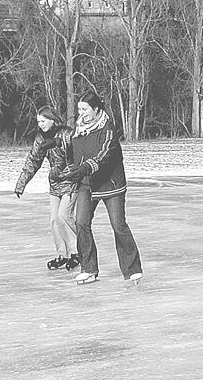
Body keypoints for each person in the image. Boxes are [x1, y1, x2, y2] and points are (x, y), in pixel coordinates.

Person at [51, 91, 142, 285]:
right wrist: (60, 167)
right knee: (81, 222)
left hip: (111, 185)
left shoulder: (107, 129)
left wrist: (84, 168)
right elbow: (72, 156)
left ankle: (132, 269)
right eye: (79, 109)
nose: (81, 113)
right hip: (87, 184)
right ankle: (88, 268)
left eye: (85, 109)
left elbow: (105, 154)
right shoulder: (77, 131)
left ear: (96, 110)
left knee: (118, 225)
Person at [14, 106, 80, 271]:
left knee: (64, 216)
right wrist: (21, 183)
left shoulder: (66, 133)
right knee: (54, 220)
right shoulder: (40, 138)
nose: (40, 125)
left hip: (70, 180)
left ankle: (77, 252)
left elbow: (76, 153)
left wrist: (59, 144)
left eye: (43, 121)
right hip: (55, 183)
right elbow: (33, 161)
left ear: (52, 120)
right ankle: (63, 254)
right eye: (38, 122)